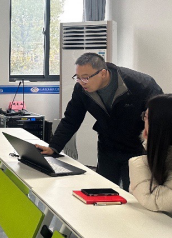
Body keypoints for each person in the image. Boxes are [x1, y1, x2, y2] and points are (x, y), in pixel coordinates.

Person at [35, 52, 162, 189]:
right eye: (78, 77)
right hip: (107, 146)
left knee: (133, 192)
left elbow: (159, 119)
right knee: (104, 190)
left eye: (85, 78)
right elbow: (71, 119)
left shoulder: (141, 84)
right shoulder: (81, 90)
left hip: (137, 149)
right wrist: (53, 147)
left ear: (103, 73)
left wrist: (154, 154)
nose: (81, 82)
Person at [129, 94, 172, 225]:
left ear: (160, 126)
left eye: (146, 117)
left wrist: (139, 163)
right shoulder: (170, 157)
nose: (144, 121)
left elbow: (152, 200)